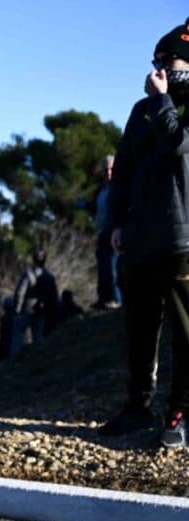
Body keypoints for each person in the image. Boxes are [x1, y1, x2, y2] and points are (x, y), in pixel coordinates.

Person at [99, 17, 189, 446]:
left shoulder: (165, 104)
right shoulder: (141, 111)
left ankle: (179, 413)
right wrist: (115, 222)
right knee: (139, 330)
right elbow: (124, 172)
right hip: (140, 239)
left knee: (185, 332)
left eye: (165, 60)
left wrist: (163, 101)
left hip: (183, 240)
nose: (156, 69)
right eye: (154, 61)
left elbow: (178, 144)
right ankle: (137, 406)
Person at [11, 250, 58, 354]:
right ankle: (37, 357)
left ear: (33, 259)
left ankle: (14, 358)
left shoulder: (28, 274)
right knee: (38, 335)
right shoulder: (49, 276)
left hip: (26, 308)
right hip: (41, 309)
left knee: (18, 334)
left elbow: (20, 292)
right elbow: (54, 295)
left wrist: (17, 309)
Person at [92, 155, 122, 310]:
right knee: (102, 267)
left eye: (111, 169)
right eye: (106, 169)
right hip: (102, 232)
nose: (109, 172)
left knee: (114, 268)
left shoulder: (120, 187)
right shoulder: (100, 190)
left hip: (115, 233)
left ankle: (117, 300)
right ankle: (103, 298)